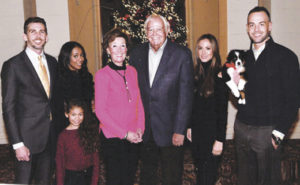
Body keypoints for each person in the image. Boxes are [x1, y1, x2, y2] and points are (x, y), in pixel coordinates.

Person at [234, 6, 300, 185]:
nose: (256, 29)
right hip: (241, 129)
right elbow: (240, 97)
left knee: (268, 181)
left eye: (261, 24)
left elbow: (293, 100)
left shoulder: (286, 57)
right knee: (245, 180)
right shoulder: (242, 58)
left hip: (268, 131)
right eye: (252, 25)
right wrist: (233, 84)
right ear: (247, 28)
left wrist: (279, 133)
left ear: (269, 26)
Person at [129, 14, 194, 185]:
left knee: (171, 177)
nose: (155, 33)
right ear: (146, 32)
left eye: (159, 29)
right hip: (145, 129)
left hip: (171, 129)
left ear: (167, 30)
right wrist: (135, 125)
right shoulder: (136, 54)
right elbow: (133, 93)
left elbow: (186, 96)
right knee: (147, 176)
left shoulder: (182, 54)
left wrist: (180, 130)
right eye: (151, 29)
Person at [1, 17, 58, 184]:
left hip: (49, 138)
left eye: (41, 31)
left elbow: (52, 100)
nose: (38, 35)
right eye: (32, 31)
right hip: (26, 140)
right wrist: (17, 144)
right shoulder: (13, 65)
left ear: (46, 36)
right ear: (25, 36)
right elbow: (8, 108)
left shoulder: (53, 63)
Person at [95, 28, 145, 185]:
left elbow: (139, 103)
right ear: (108, 50)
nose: (119, 50)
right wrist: (124, 134)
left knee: (129, 177)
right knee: (116, 179)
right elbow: (101, 111)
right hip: (113, 137)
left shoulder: (133, 71)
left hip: (133, 136)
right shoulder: (102, 75)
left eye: (122, 45)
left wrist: (140, 129)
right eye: (114, 46)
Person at [186, 34, 228, 185]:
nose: (203, 52)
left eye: (208, 48)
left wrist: (220, 140)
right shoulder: (195, 74)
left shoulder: (220, 76)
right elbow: (192, 106)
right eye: (200, 48)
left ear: (214, 51)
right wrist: (189, 126)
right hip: (197, 134)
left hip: (212, 136)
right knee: (200, 174)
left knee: (208, 177)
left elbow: (223, 112)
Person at [56, 99, 99, 185]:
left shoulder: (89, 132)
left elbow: (95, 160)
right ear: (66, 114)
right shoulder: (63, 136)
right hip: (70, 177)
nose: (77, 118)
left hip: (87, 176)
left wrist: (94, 182)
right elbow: (60, 163)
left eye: (80, 114)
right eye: (73, 115)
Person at [56, 41, 95, 133]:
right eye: (76, 56)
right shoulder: (58, 79)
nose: (81, 59)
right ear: (66, 58)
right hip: (67, 126)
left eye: (82, 55)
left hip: (87, 124)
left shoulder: (87, 76)